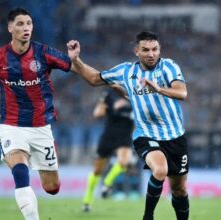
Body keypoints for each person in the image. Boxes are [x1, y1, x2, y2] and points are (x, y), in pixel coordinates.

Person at [67, 31, 190, 220]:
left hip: (175, 137)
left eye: (155, 49)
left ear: (159, 50)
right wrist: (76, 60)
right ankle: (147, 216)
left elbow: (182, 93)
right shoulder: (126, 71)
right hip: (146, 135)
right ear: (136, 51)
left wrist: (158, 88)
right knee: (160, 170)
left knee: (179, 189)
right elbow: (94, 79)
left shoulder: (169, 66)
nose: (151, 54)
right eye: (146, 50)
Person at [0, 8, 74, 220]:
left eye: (28, 23)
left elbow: (72, 65)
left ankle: (47, 152)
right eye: (20, 24)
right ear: (10, 28)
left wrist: (78, 61)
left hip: (41, 127)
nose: (25, 27)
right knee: (20, 171)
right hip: (11, 125)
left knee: (52, 187)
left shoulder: (44, 53)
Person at [82, 88, 134, 212]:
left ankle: (107, 182)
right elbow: (97, 114)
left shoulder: (136, 93)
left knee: (124, 162)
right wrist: (102, 102)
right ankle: (87, 201)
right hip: (109, 136)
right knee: (97, 171)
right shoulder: (110, 95)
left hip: (125, 136)